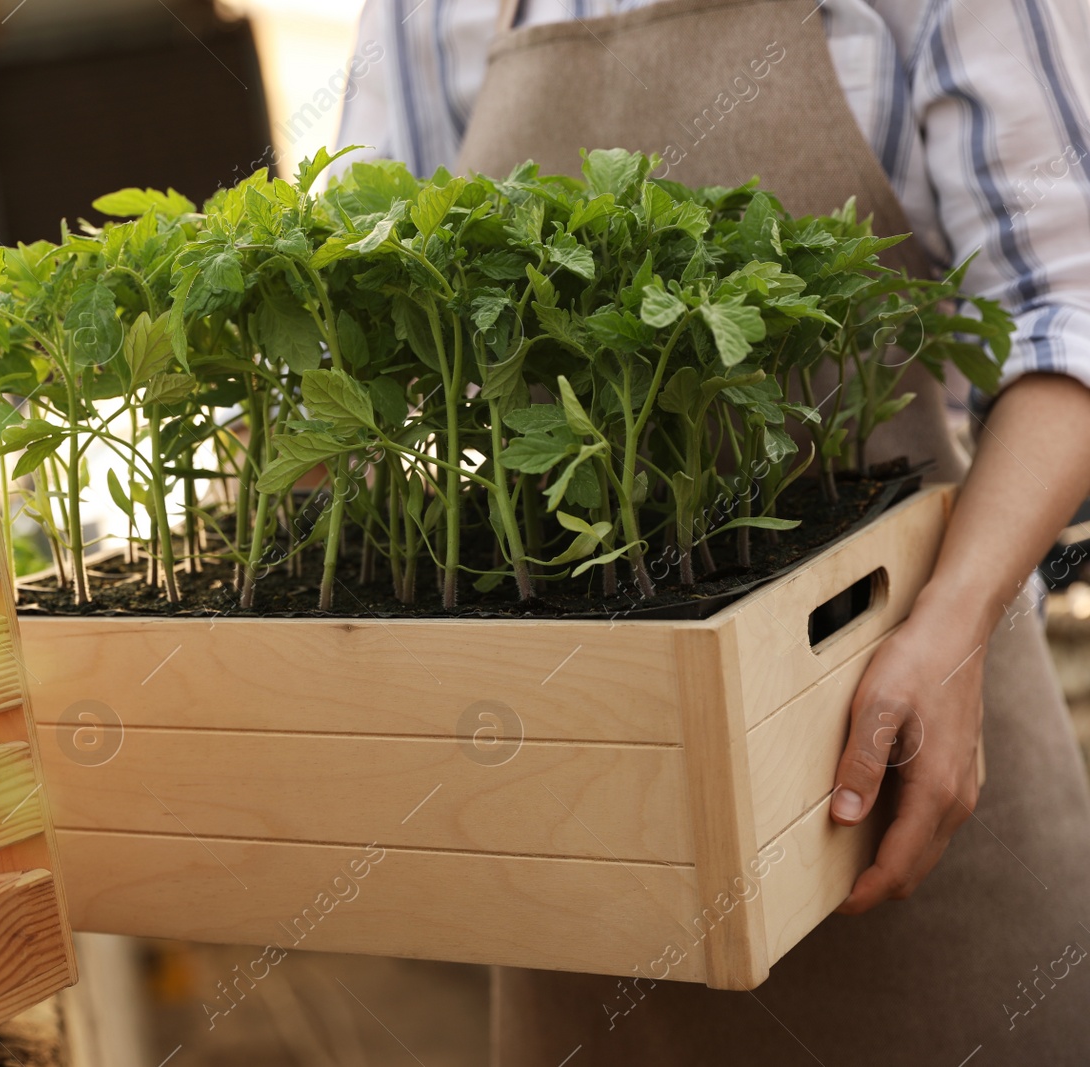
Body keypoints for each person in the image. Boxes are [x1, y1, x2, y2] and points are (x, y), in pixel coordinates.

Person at [336, 0, 1090, 1062]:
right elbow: (355, 302)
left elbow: (1069, 316)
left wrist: (956, 624)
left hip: (906, 725)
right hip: (580, 791)